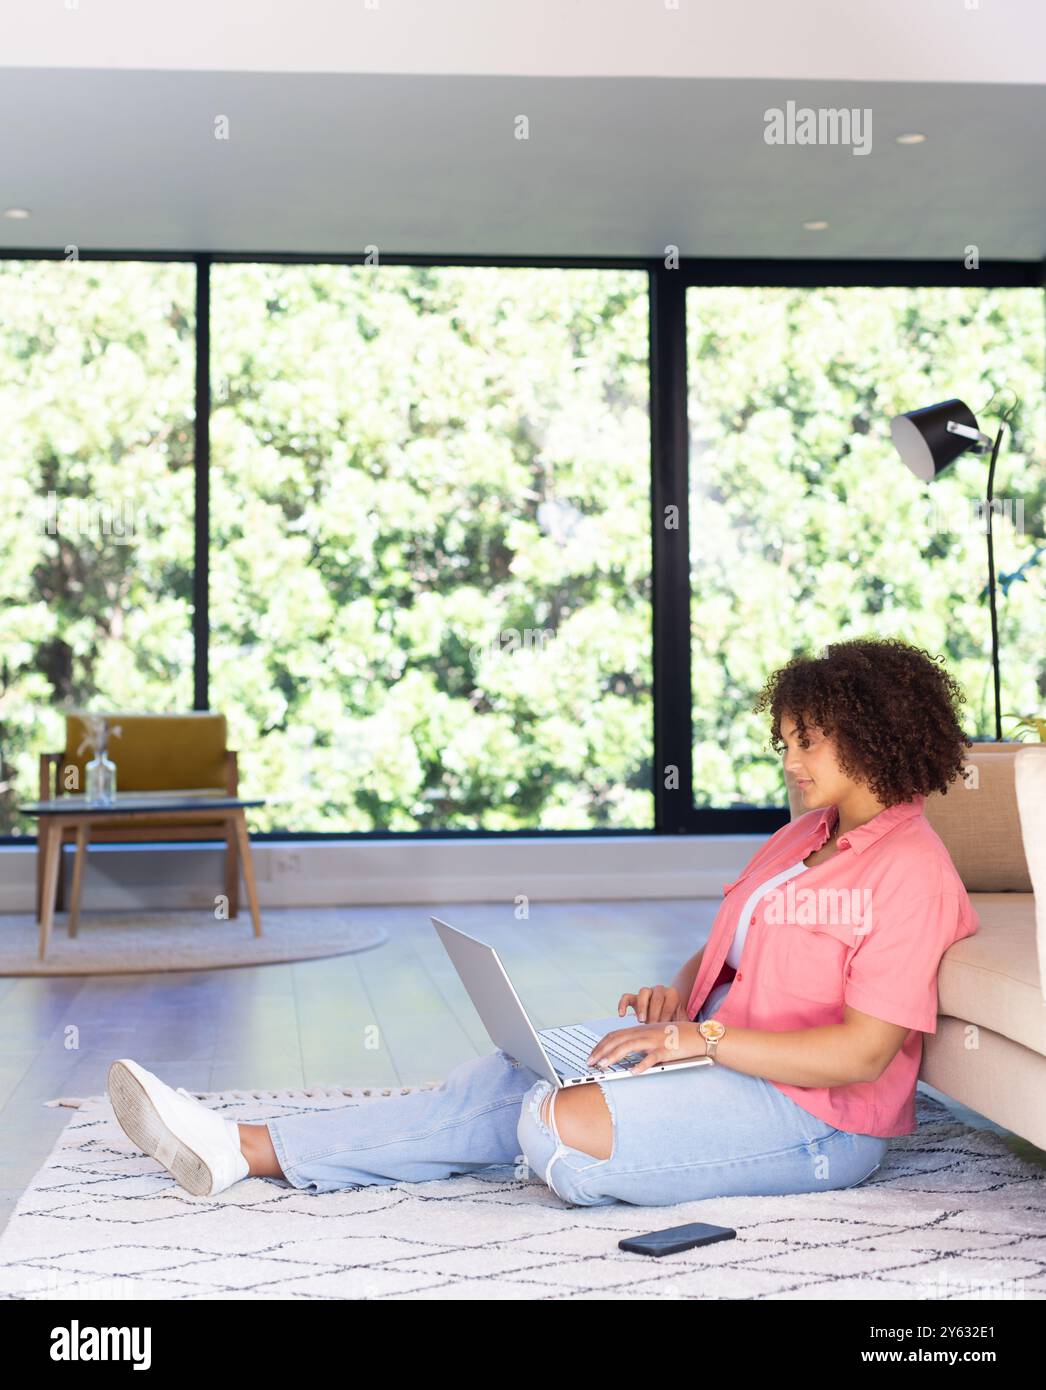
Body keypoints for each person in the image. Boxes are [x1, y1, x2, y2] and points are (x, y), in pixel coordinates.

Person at [108, 636, 979, 1207]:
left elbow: (862, 1054)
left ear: (872, 739)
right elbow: (736, 952)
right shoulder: (804, 836)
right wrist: (674, 1002)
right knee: (514, 1069)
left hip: (817, 1119)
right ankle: (243, 1147)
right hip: (720, 1053)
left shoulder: (910, 870)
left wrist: (700, 1045)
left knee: (549, 1130)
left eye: (806, 742)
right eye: (783, 740)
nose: (787, 760)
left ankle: (255, 1148)